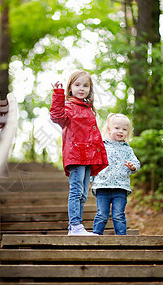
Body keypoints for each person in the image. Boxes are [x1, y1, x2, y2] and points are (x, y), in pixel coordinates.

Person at [50, 70, 108, 236]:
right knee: (76, 191)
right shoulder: (68, 106)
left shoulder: (88, 109)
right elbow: (56, 116)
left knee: (83, 193)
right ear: (70, 88)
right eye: (77, 85)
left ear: (90, 89)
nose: (81, 88)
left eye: (85, 85)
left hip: (88, 157)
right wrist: (58, 95)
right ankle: (75, 225)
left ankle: (76, 227)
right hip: (76, 155)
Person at [91, 113, 140, 235]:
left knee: (118, 214)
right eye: (117, 128)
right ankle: (96, 237)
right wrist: (90, 179)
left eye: (124, 129)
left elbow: (136, 162)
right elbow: (94, 163)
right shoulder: (102, 146)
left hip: (120, 187)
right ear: (109, 129)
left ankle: (122, 239)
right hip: (103, 186)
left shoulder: (127, 148)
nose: (121, 131)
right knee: (102, 214)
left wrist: (133, 167)